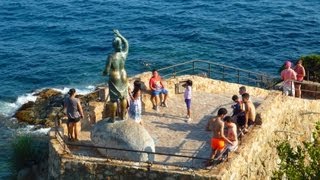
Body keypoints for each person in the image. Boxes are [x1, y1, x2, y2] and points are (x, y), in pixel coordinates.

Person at [103, 29, 129, 122]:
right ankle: (122, 116)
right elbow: (126, 43)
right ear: (120, 44)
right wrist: (119, 34)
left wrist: (104, 73)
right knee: (123, 97)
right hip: (124, 74)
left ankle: (113, 118)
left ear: (113, 45)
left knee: (113, 100)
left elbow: (106, 70)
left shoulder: (111, 56)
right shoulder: (124, 54)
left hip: (115, 76)